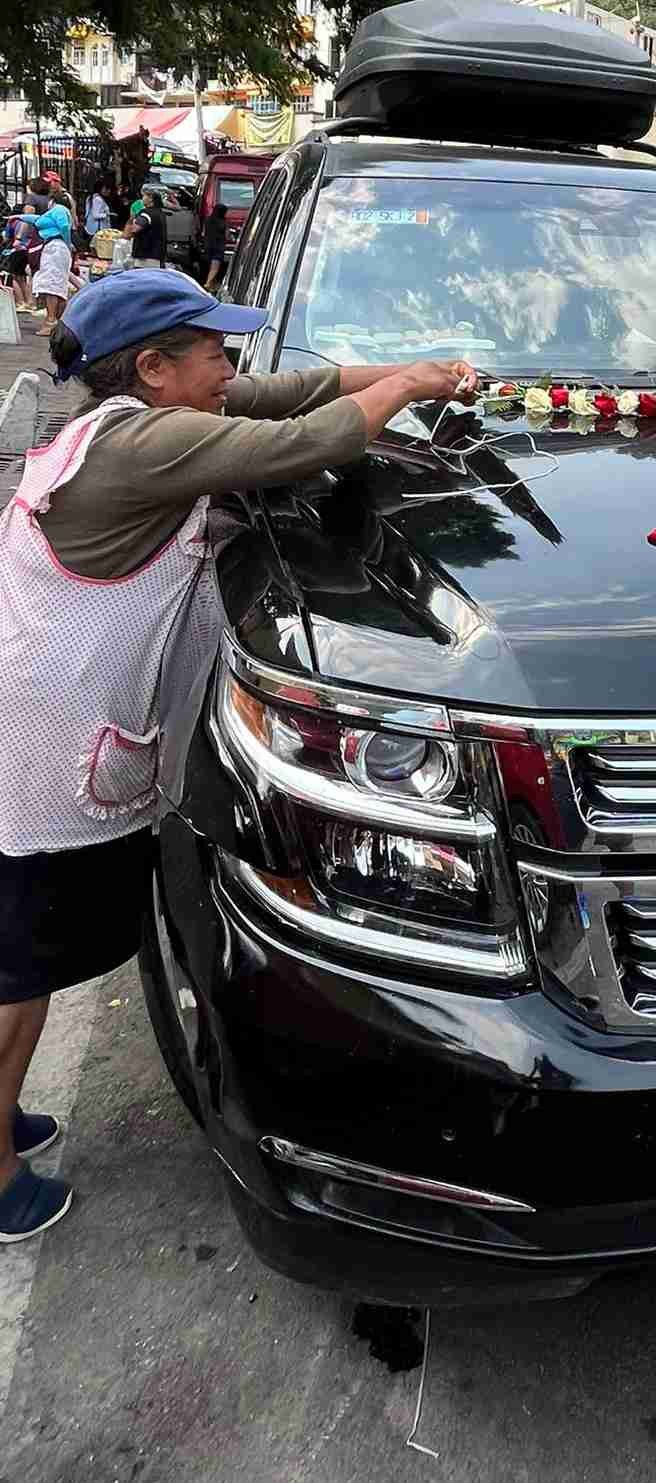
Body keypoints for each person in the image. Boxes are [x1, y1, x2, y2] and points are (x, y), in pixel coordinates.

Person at [0, 270, 481, 1241]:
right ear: (153, 367)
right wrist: (412, 393)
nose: (234, 364)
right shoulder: (152, 443)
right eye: (215, 349)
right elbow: (303, 440)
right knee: (14, 976)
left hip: (40, 726)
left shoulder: (142, 420)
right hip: (35, 752)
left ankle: (1, 1121)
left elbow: (305, 391)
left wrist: (413, 369)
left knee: (28, 963)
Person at [9, 190, 74, 331]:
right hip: (54, 247)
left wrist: (67, 243)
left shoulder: (59, 209)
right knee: (54, 283)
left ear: (52, 200)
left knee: (52, 285)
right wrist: (19, 216)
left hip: (56, 247)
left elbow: (64, 226)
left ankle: (51, 320)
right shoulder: (52, 214)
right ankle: (55, 320)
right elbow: (37, 219)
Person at [127, 190, 166, 269]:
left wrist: (132, 220)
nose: (142, 199)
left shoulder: (146, 213)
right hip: (158, 255)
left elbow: (135, 229)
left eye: (144, 196)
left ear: (151, 199)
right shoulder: (160, 212)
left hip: (145, 257)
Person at [202, 203, 228, 291]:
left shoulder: (208, 220)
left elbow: (203, 232)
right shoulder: (223, 222)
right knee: (215, 268)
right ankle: (208, 283)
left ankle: (213, 285)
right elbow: (227, 235)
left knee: (210, 266)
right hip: (218, 246)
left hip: (208, 245)